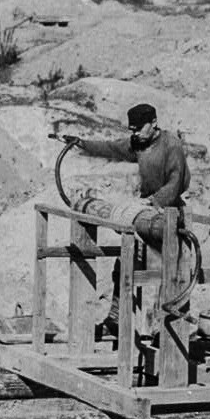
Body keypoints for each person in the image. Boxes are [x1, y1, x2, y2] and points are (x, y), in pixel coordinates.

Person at [67, 104, 192, 337]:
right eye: (132, 130)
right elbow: (112, 148)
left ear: (153, 123)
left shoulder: (171, 145)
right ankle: (116, 317)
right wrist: (82, 144)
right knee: (126, 263)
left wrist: (154, 201)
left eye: (139, 128)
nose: (135, 134)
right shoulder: (139, 143)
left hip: (169, 215)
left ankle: (164, 328)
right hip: (145, 214)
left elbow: (176, 182)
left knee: (169, 272)